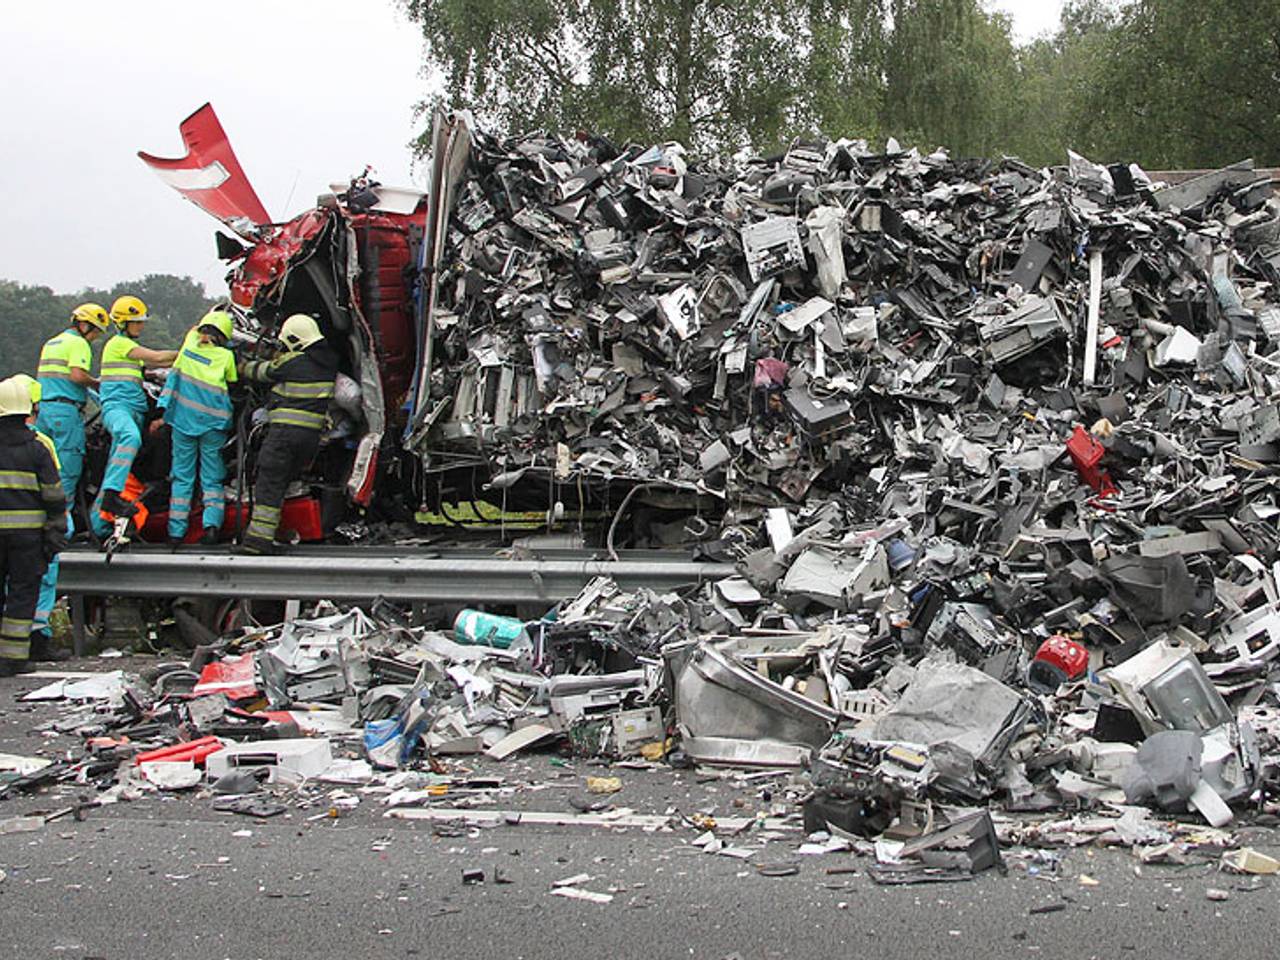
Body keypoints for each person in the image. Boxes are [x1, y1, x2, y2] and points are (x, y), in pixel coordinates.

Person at [237, 314, 338, 554]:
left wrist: (240, 364)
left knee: (269, 484)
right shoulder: (329, 363)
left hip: (284, 435)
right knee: (283, 483)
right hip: (310, 439)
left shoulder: (292, 362)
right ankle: (277, 534)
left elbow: (261, 372)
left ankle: (257, 542)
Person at [91, 295, 178, 538]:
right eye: (136, 322)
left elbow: (152, 368)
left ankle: (99, 524)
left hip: (133, 410)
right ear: (122, 323)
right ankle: (111, 497)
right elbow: (158, 357)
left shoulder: (128, 351)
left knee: (117, 463)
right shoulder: (118, 344)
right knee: (130, 438)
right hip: (119, 408)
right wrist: (188, 352)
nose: (140, 326)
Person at [0, 378, 68, 676]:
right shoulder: (37, 448)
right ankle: (13, 659)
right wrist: (55, 532)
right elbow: (54, 496)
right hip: (28, 539)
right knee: (22, 595)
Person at [159, 310, 237, 544]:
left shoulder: (188, 349)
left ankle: (175, 532)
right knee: (212, 478)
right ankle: (211, 526)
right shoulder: (226, 356)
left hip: (183, 423)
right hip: (213, 425)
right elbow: (233, 380)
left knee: (182, 477)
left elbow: (192, 333)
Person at [36, 303, 108, 524]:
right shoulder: (79, 343)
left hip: (44, 411)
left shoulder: (52, 343)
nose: (95, 337)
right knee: (67, 471)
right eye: (96, 332)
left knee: (43, 469)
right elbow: (77, 376)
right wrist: (97, 384)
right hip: (65, 413)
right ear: (85, 325)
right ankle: (62, 526)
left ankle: (40, 518)